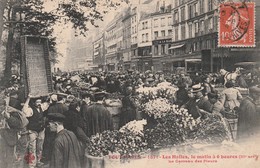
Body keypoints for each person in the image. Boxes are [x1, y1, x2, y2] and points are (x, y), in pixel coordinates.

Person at [0, 99, 28, 168]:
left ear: (4, 106)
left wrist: (9, 118)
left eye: (0, 106)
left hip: (12, 138)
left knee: (12, 158)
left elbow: (18, 124)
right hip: (3, 138)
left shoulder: (12, 112)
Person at [22, 95, 46, 168]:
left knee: (40, 147)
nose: (39, 103)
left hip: (41, 130)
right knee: (32, 148)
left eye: (40, 102)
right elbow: (24, 110)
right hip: (33, 131)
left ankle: (38, 161)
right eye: (37, 102)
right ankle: (32, 164)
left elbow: (48, 102)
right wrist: (28, 98)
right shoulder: (30, 109)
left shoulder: (41, 107)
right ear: (34, 102)